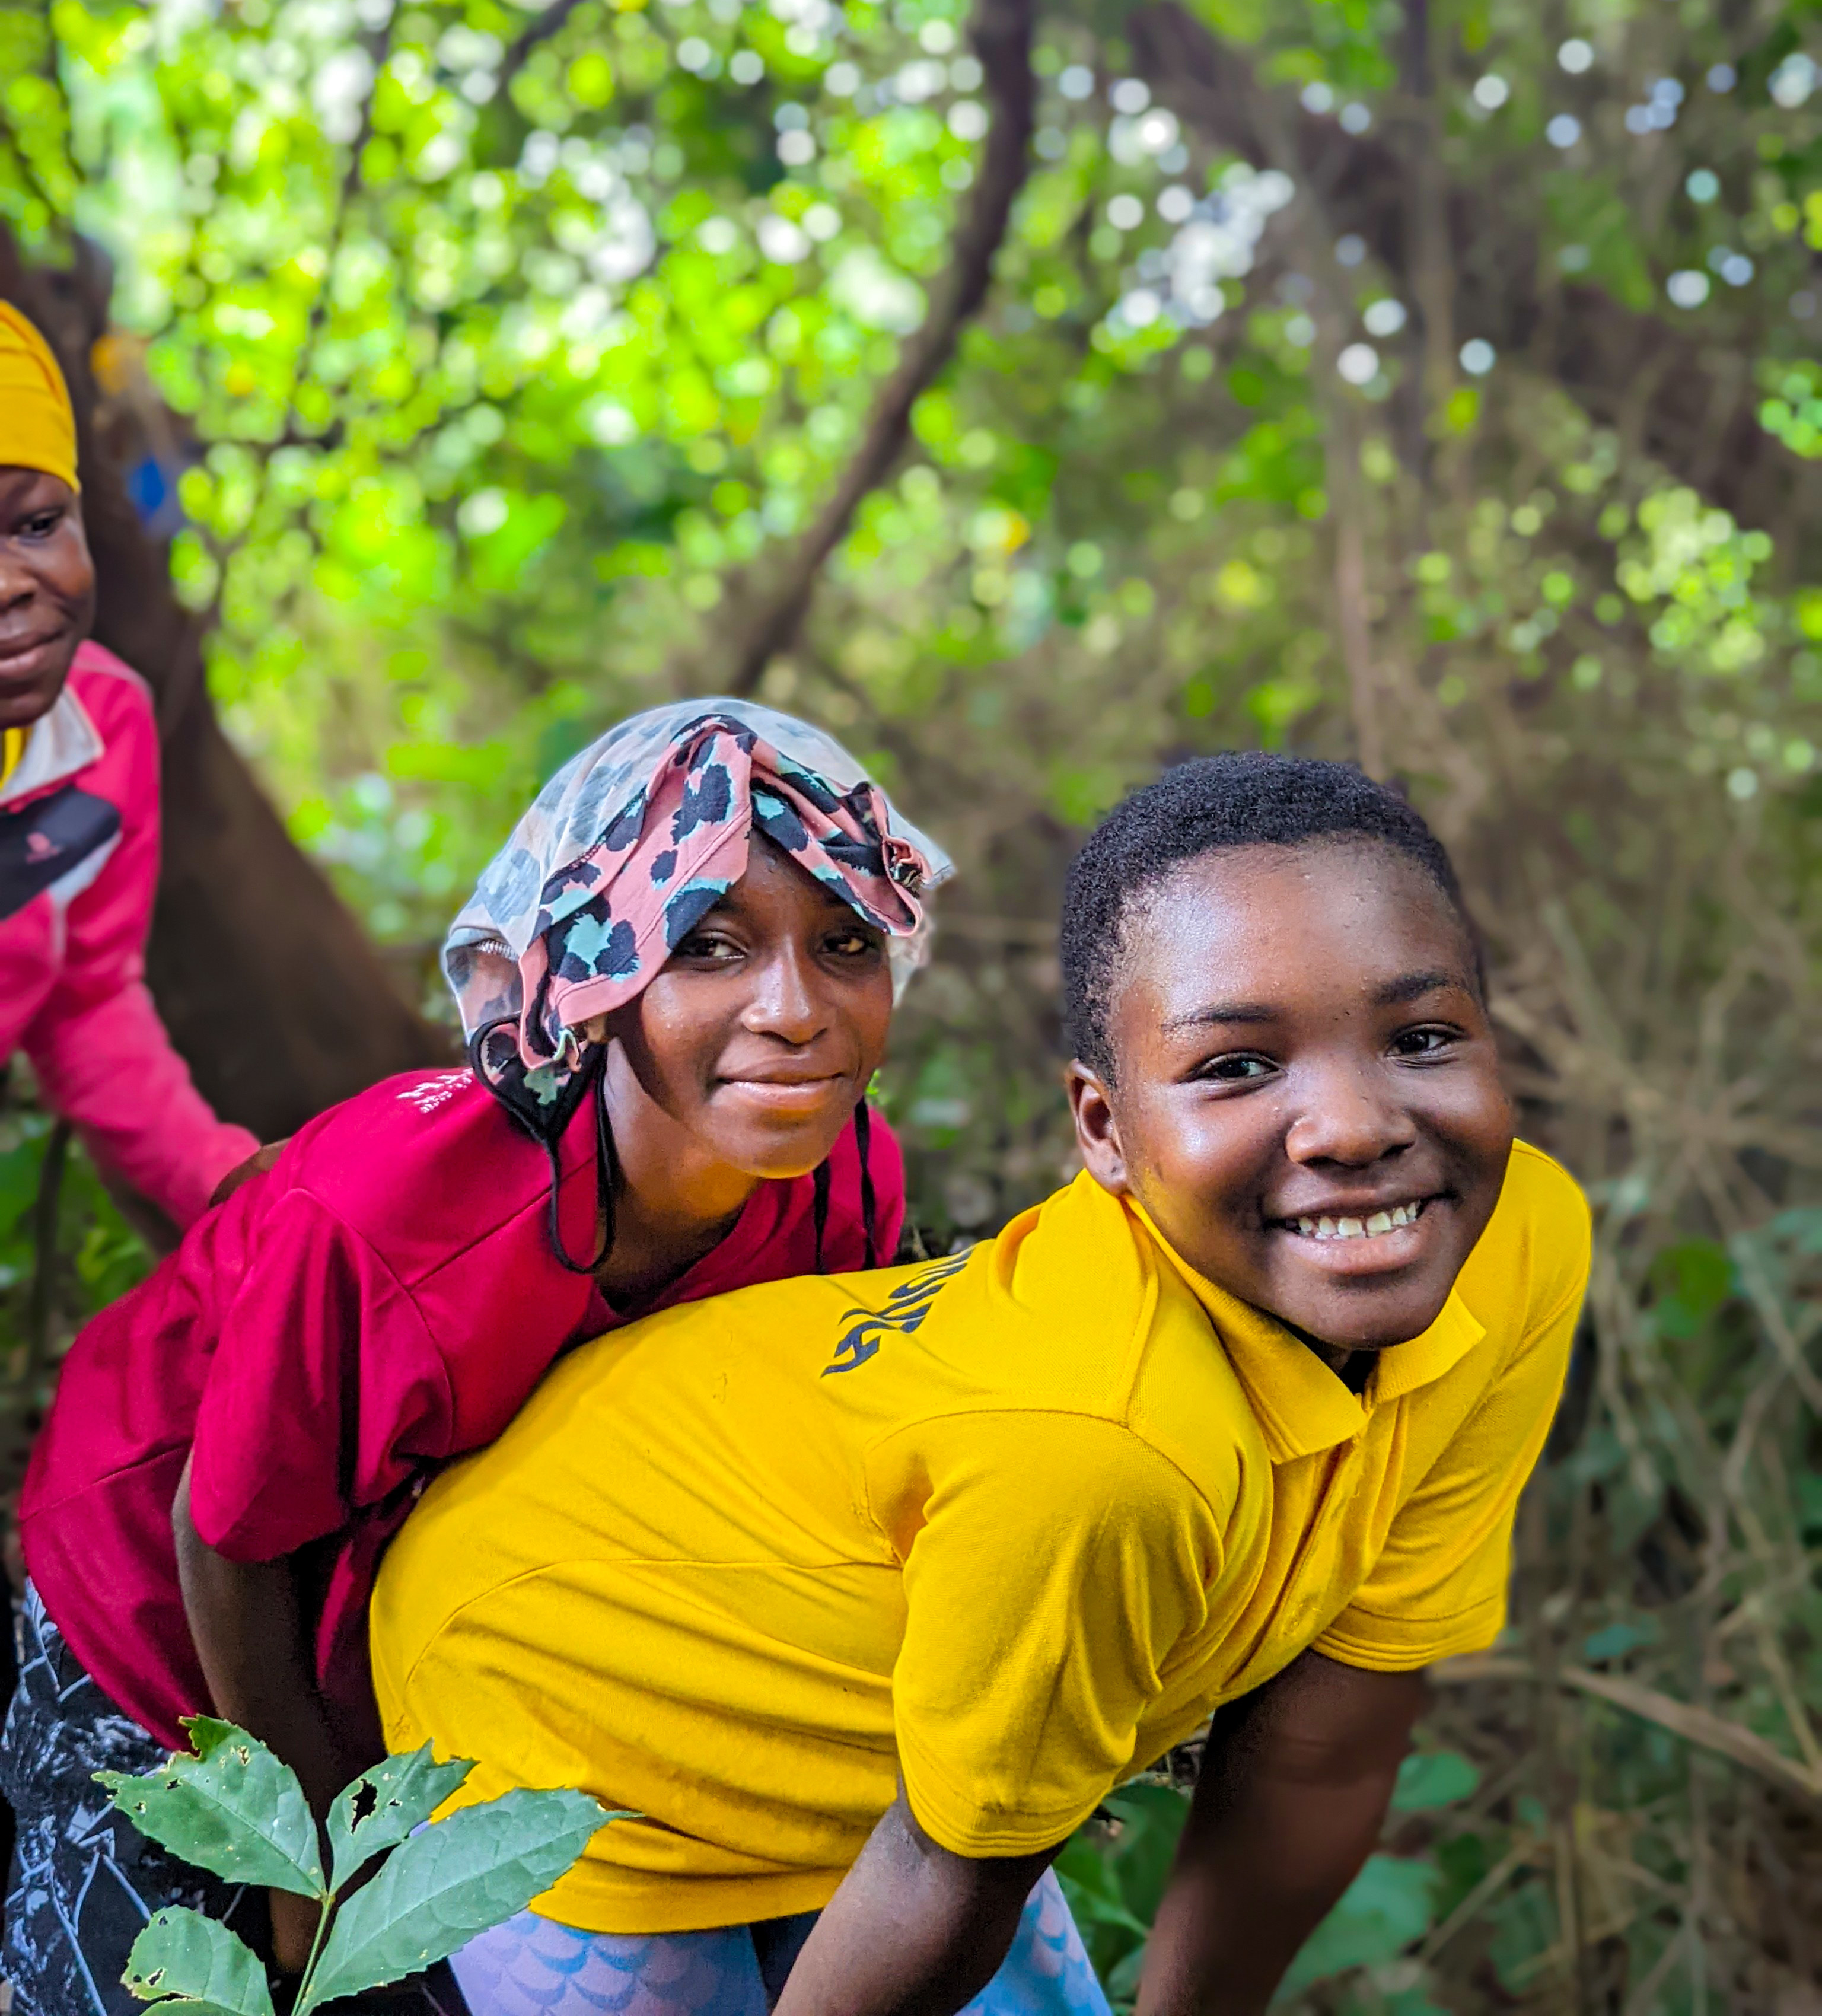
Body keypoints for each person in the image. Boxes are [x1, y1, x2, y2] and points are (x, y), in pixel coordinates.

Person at [371, 751, 1592, 2016]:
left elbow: (1328, 1734)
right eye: (1236, 1065)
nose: (1356, 1126)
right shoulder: (1103, 1450)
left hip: (876, 1723)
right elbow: (943, 1875)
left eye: (1422, 1038)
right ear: (1104, 1130)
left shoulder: (1515, 1240)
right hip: (560, 1712)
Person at [1, 700, 949, 2016]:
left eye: (845, 944)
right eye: (707, 945)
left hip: (461, 1662)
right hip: (170, 1629)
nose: (795, 1010)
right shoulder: (397, 1214)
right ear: (598, 978)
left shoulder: (842, 1183)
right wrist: (314, 1875)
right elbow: (223, 1543)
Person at [0, 298, 259, 1227]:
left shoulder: (101, 728)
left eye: (36, 524)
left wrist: (222, 1179)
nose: (11, 585)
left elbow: (85, 999)